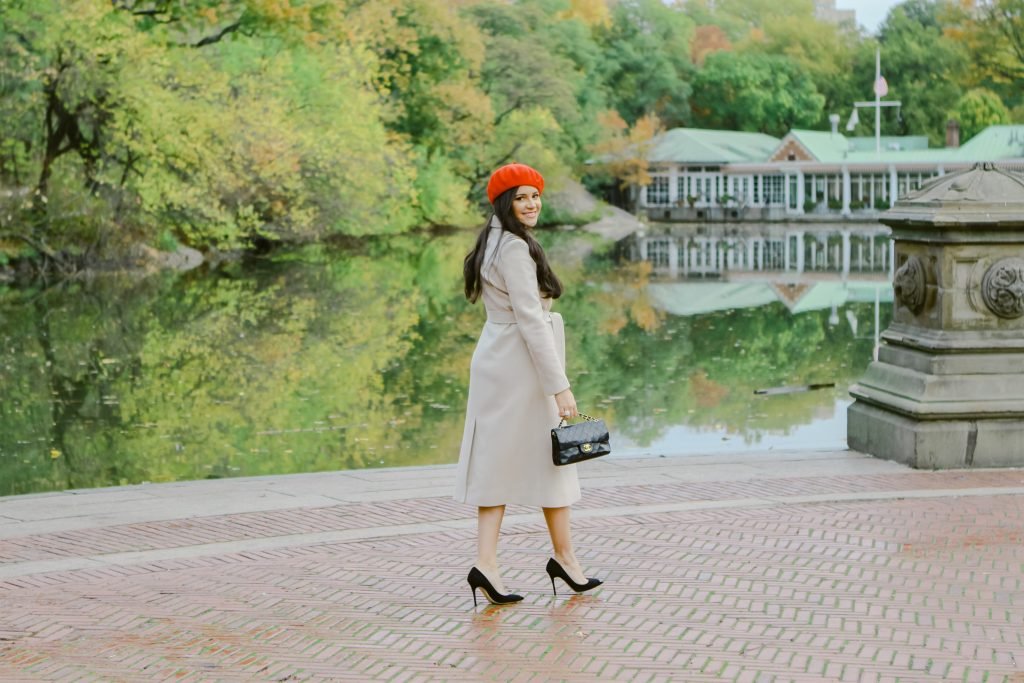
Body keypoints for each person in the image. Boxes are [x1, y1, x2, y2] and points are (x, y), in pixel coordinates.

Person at [454, 162, 602, 606]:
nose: (532, 203)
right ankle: (564, 558)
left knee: (499, 462)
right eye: (521, 197)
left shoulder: (497, 241)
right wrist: (560, 385)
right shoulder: (515, 249)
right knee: (552, 457)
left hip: (499, 360)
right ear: (504, 202)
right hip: (519, 365)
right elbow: (532, 322)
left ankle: (490, 564)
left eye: (535, 194)